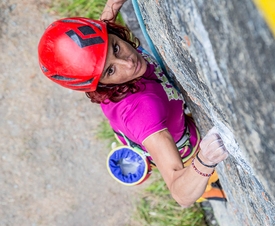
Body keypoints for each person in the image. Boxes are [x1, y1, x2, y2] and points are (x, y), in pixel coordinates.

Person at [38, 0, 229, 207]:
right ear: (100, 86)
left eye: (117, 48)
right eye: (110, 70)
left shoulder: (102, 55)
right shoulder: (144, 110)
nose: (128, 63)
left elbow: (103, 35)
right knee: (199, 173)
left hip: (138, 127)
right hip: (180, 143)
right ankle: (208, 189)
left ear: (113, 34)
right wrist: (205, 161)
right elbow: (180, 193)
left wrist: (111, 7)